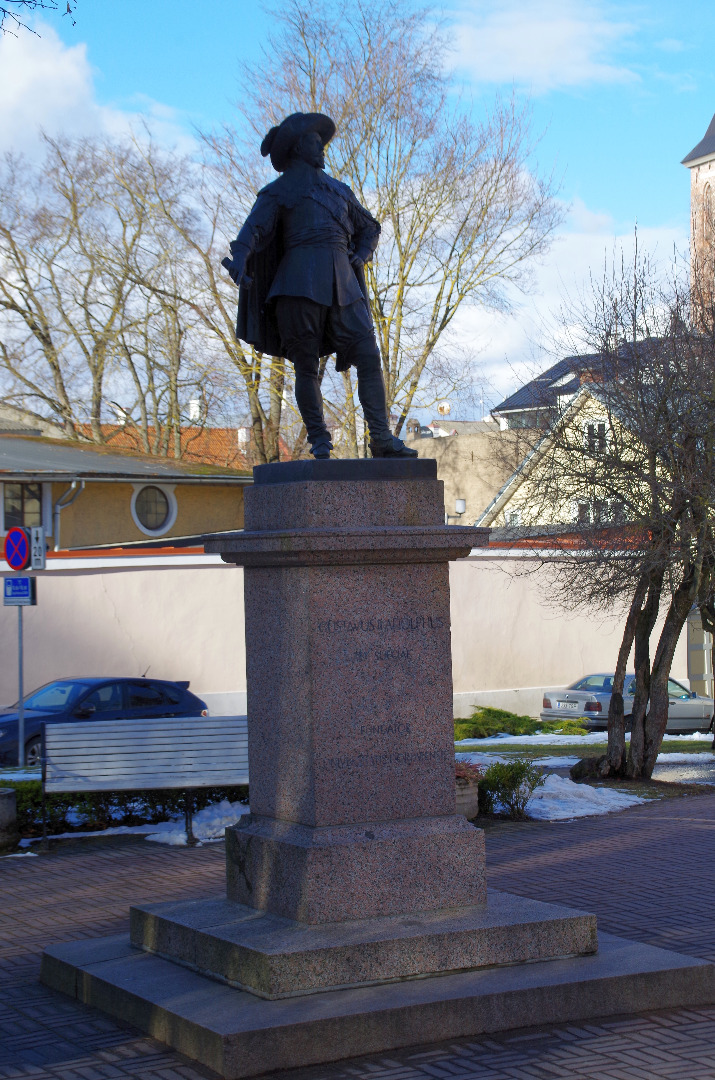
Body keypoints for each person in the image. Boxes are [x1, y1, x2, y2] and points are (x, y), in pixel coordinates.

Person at [222, 111, 417, 460]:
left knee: (370, 357)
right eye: (316, 142)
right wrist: (238, 260)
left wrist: (360, 253)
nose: (323, 148)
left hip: (343, 285)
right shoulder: (279, 191)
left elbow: (369, 227)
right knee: (306, 366)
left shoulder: (339, 190)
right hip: (297, 285)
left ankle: (381, 438)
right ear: (299, 147)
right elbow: (252, 231)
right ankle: (320, 440)